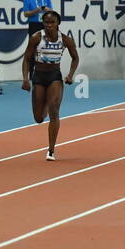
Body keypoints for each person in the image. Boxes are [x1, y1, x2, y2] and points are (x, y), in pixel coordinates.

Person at [21, 10, 79, 161]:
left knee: (54, 109)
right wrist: (25, 79)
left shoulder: (65, 40)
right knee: (39, 118)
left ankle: (51, 150)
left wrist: (70, 75)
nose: (49, 25)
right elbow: (27, 59)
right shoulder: (36, 38)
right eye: (46, 22)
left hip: (55, 76)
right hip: (39, 77)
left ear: (58, 23)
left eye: (52, 22)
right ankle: (46, 102)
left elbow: (75, 58)